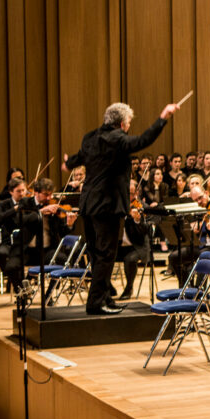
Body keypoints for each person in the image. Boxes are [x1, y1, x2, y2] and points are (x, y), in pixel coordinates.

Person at [64, 101, 179, 314]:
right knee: (107, 254)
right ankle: (96, 303)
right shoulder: (117, 139)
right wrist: (163, 117)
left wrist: (68, 163)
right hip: (108, 205)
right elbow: (144, 140)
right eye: (128, 123)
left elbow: (79, 158)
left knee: (96, 254)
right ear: (123, 123)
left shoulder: (90, 137)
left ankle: (105, 297)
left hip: (88, 205)